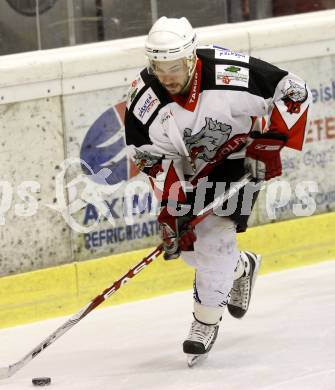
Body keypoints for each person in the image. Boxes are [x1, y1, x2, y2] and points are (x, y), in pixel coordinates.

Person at [124, 16, 311, 366]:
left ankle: (204, 321)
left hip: (238, 156)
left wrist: (270, 143)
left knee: (217, 239)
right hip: (185, 169)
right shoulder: (144, 98)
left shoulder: (229, 73)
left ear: (192, 56)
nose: (167, 76)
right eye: (159, 67)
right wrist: (172, 206)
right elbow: (147, 157)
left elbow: (294, 90)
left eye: (175, 66)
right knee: (191, 247)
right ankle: (241, 267)